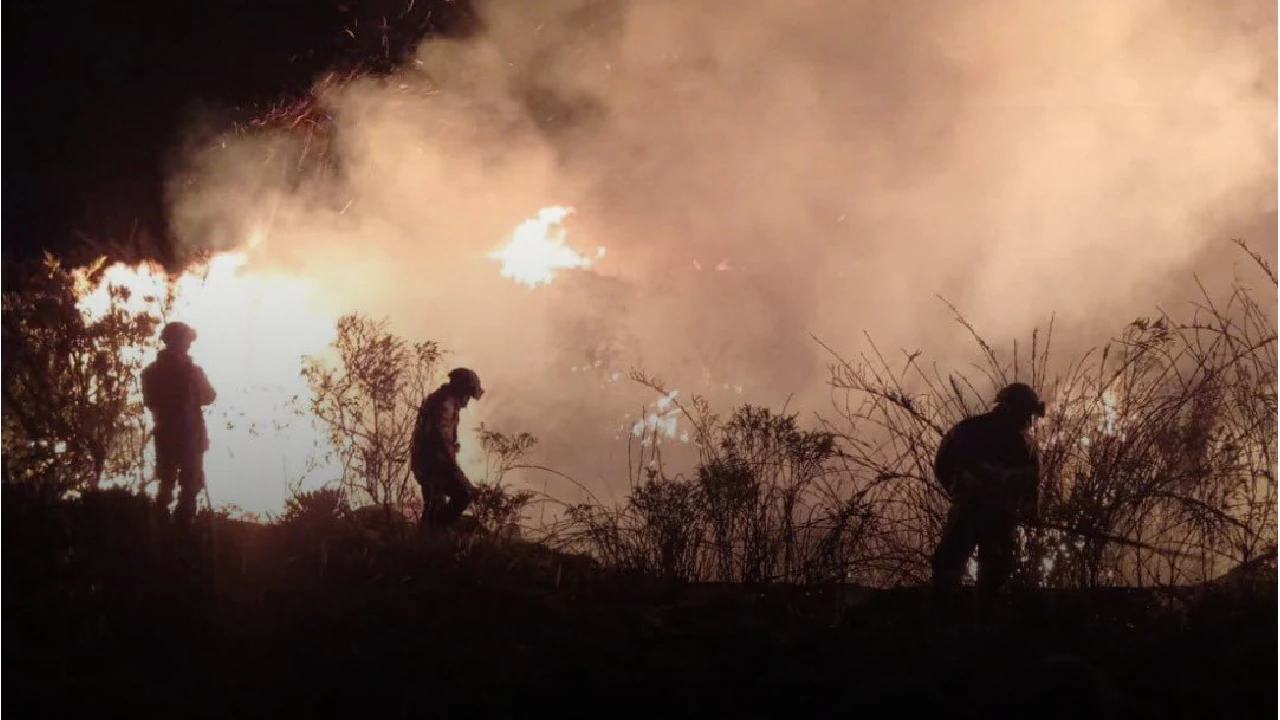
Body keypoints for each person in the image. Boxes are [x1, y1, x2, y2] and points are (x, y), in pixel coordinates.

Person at [931, 382, 1045, 618]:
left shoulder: (969, 429)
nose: (1028, 419)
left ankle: (955, 617)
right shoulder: (1022, 443)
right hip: (985, 513)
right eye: (1026, 412)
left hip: (985, 512)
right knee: (973, 566)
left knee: (968, 566)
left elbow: (943, 463)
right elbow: (1031, 483)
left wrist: (957, 490)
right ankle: (965, 617)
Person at [140, 321, 217, 527]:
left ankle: (163, 526)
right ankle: (178, 528)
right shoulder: (190, 371)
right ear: (177, 341)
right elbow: (209, 396)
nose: (189, 344)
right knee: (185, 484)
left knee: (170, 483)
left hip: (171, 434)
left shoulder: (152, 371)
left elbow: (209, 396)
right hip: (185, 435)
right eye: (186, 339)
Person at [411, 367, 484, 534]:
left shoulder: (441, 400)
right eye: (468, 396)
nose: (467, 401)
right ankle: (433, 537)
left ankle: (429, 536)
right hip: (434, 465)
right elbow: (439, 438)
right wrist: (457, 472)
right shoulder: (446, 404)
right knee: (463, 494)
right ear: (462, 391)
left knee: (433, 506)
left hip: (427, 463)